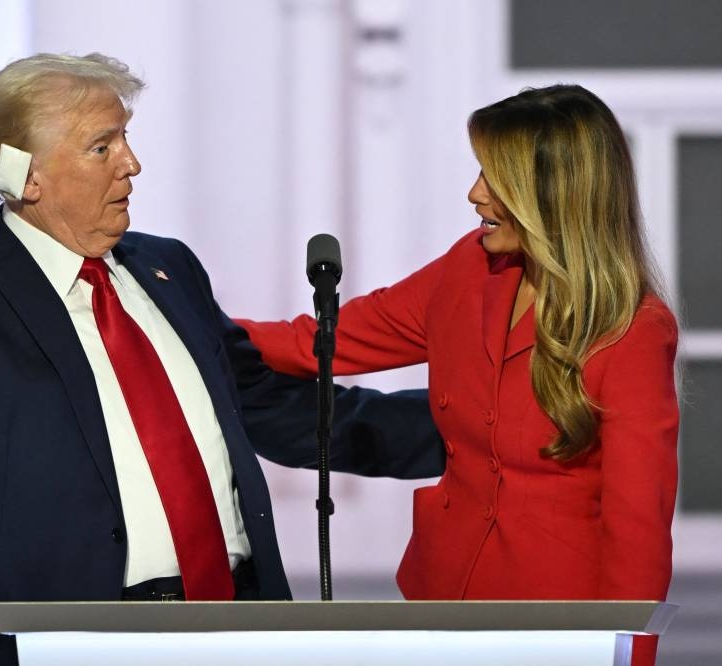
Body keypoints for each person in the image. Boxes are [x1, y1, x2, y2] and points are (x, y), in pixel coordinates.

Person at [0, 53, 442, 665]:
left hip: (226, 624)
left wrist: (474, 428)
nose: (132, 163)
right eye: (103, 146)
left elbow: (273, 407)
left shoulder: (167, 268)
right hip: (49, 640)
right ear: (27, 177)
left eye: (125, 138)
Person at [238, 84, 679, 602]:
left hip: (555, 618)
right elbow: (320, 342)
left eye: (495, 178)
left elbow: (637, 530)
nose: (476, 194)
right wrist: (181, 326)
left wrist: (623, 649)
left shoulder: (633, 330)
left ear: (554, 193)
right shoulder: (471, 267)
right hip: (442, 593)